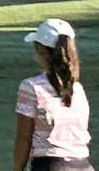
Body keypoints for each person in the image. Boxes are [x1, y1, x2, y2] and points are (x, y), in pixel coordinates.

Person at [14, 18, 91, 171]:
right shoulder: (78, 89)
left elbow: (24, 139)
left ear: (41, 51)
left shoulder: (31, 87)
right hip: (83, 166)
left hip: (49, 166)